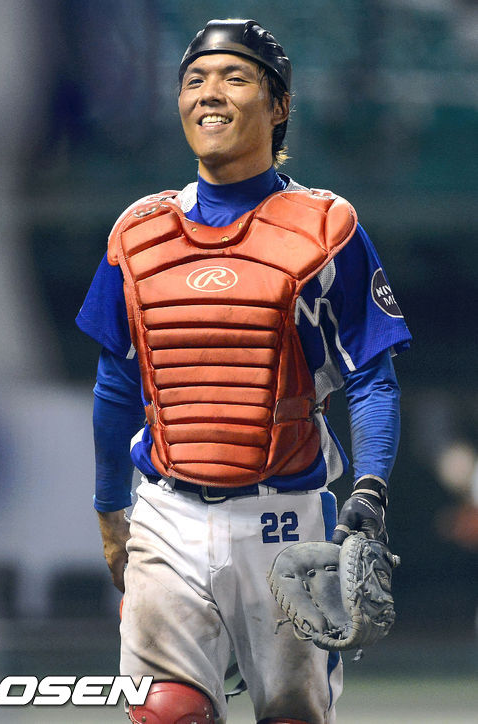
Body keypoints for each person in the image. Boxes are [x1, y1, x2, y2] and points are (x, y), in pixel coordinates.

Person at [77, 18, 411, 724]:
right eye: (195, 79)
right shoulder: (136, 232)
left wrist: (371, 491)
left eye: (234, 78)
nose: (210, 93)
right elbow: (116, 383)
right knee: (164, 712)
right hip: (165, 514)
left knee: (293, 718)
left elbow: (373, 378)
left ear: (279, 104)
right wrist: (110, 509)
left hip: (286, 522)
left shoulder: (327, 228)